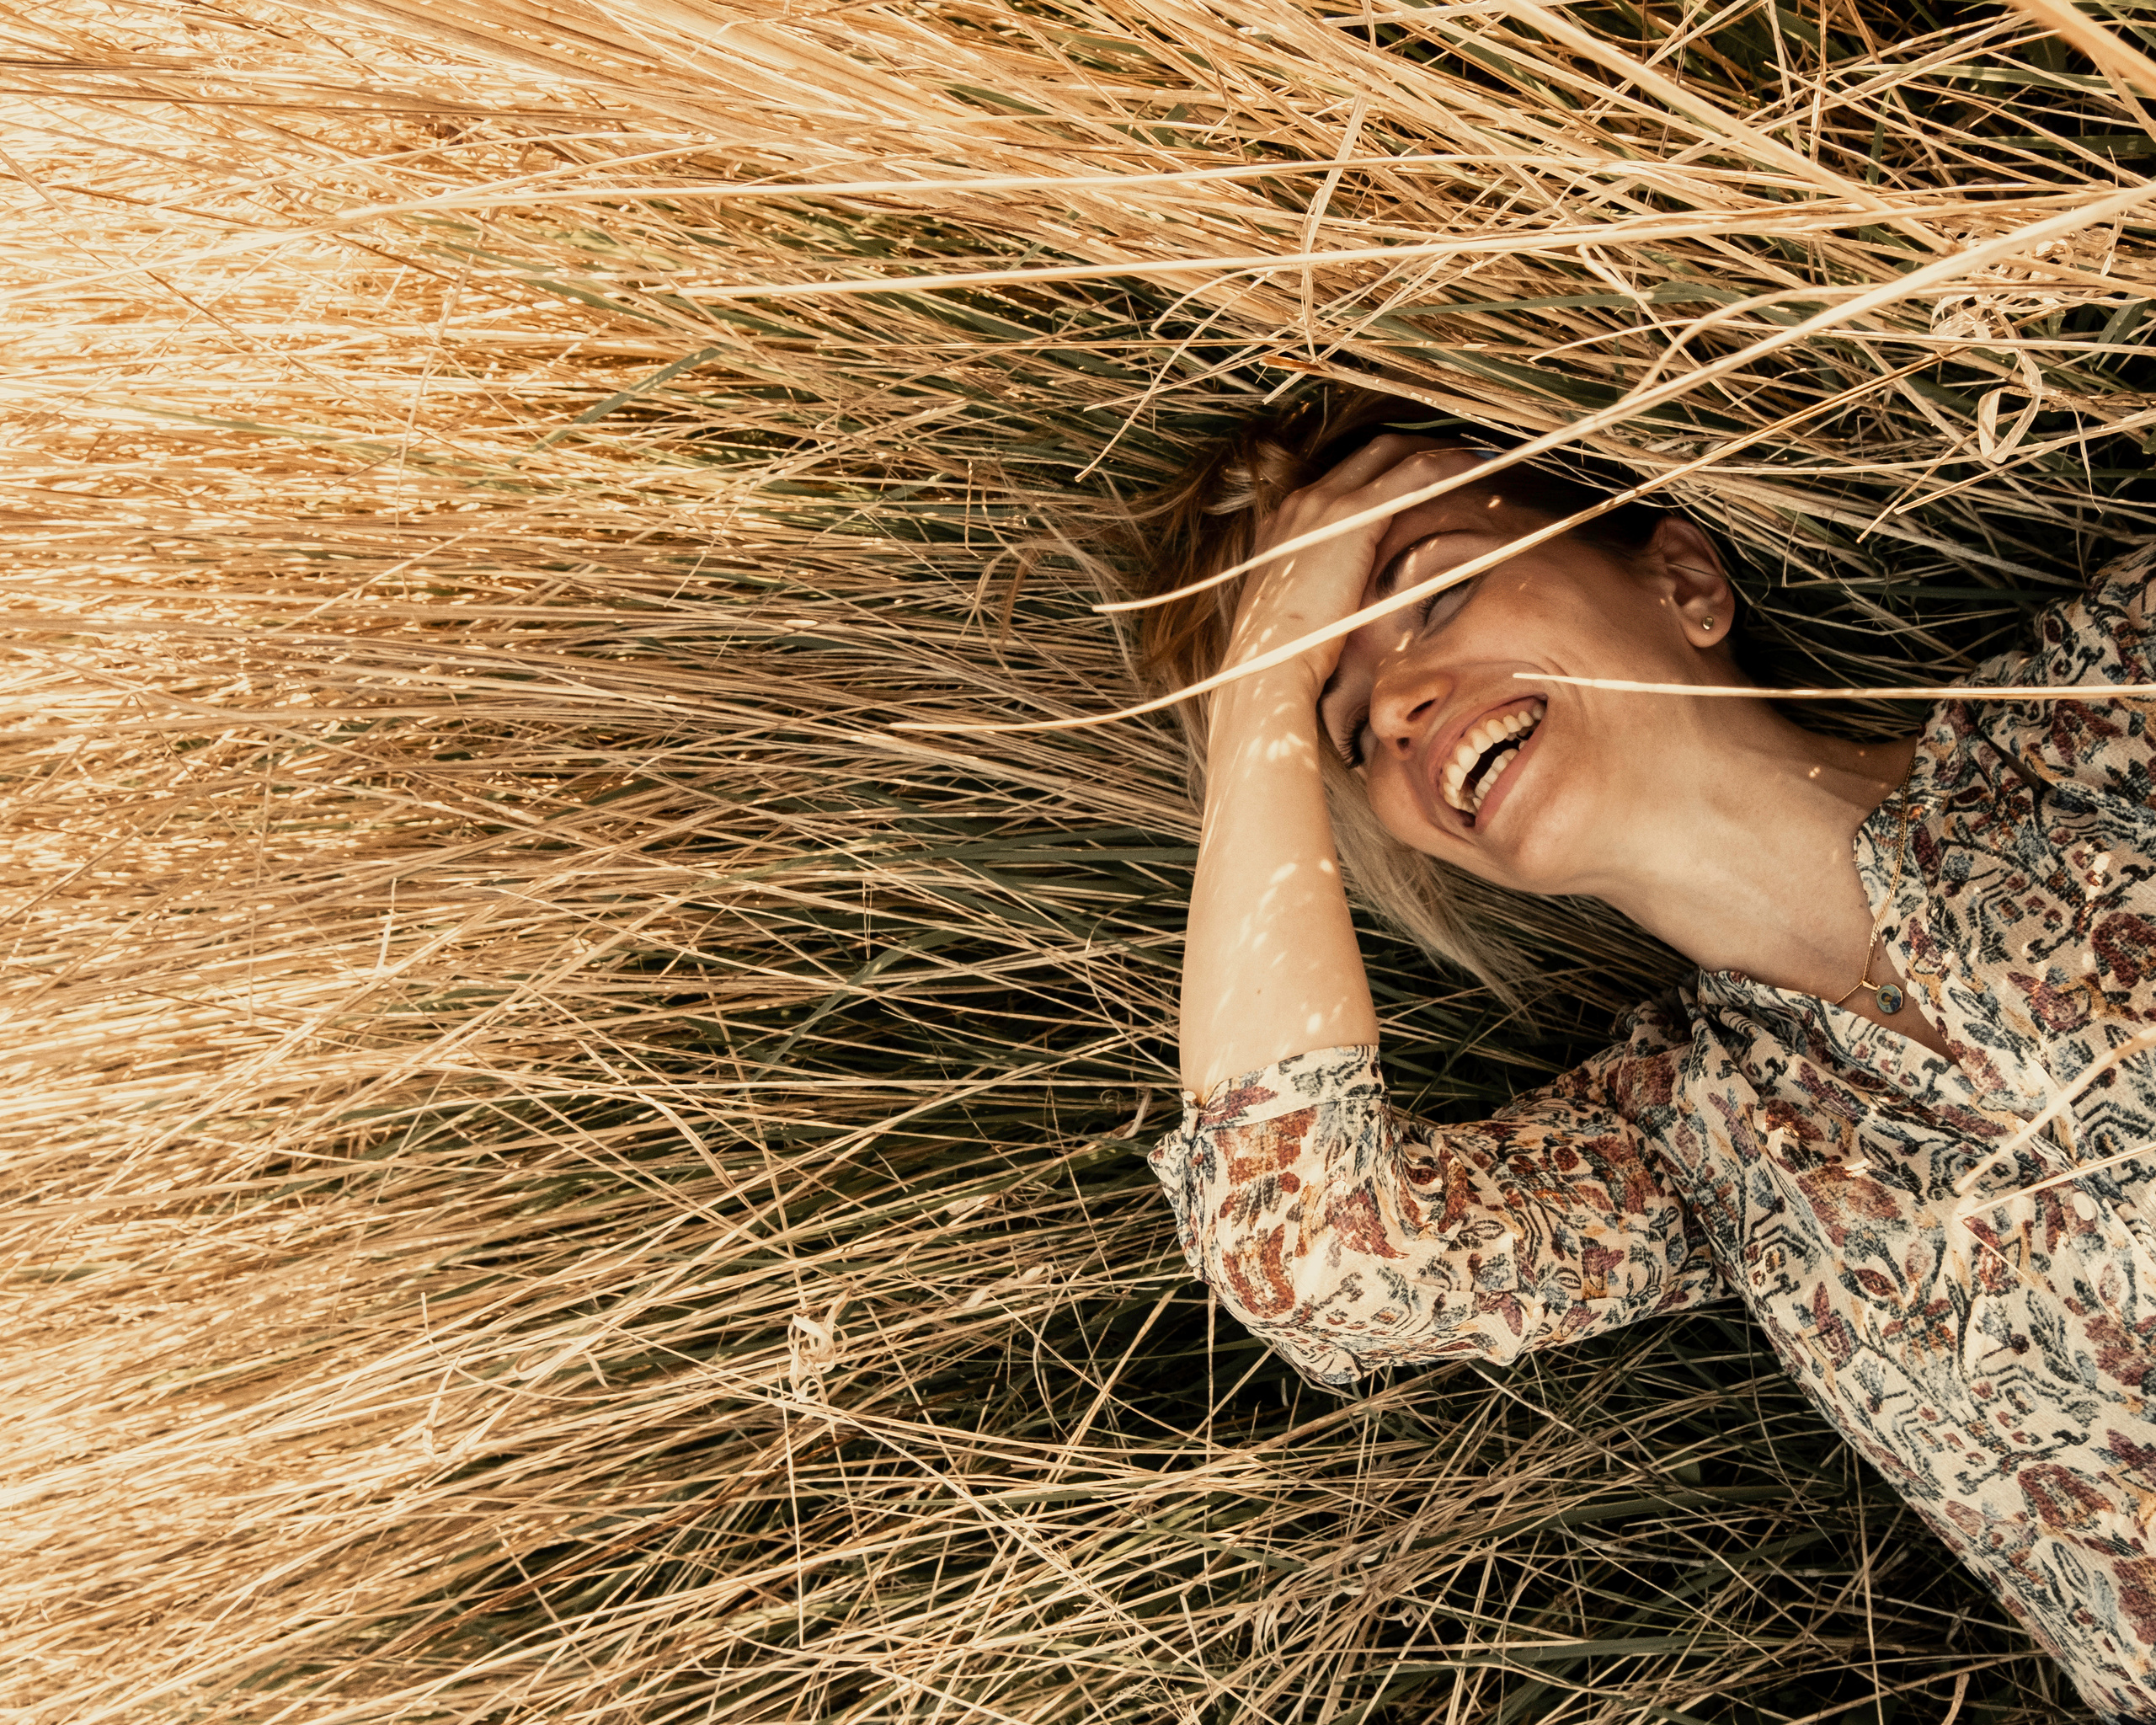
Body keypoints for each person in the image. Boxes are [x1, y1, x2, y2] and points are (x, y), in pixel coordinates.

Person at [1139, 390, 2156, 1720]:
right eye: (1340, 723)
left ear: (1683, 580)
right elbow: (1318, 1256)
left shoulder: (2109, 704)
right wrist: (1255, 698)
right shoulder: (1683, 1146)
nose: (1396, 704)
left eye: (1435, 595)